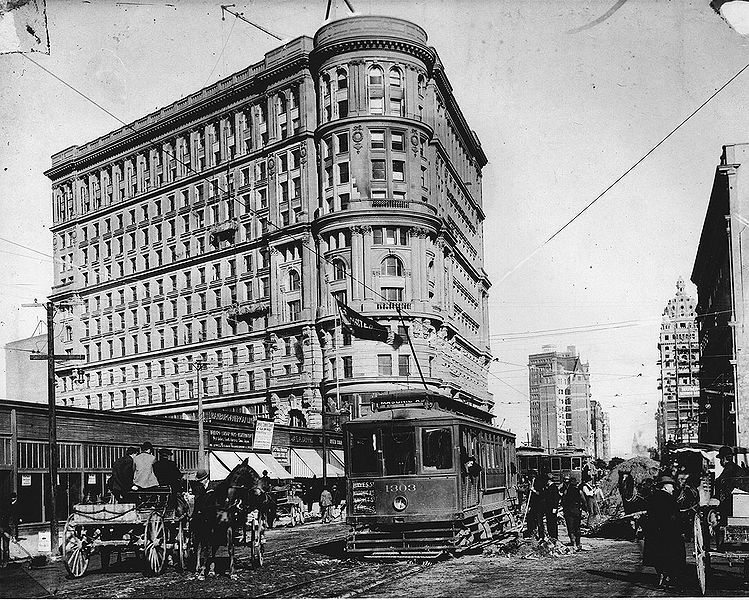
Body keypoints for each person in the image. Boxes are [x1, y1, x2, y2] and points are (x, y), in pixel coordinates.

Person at [643, 475, 686, 589]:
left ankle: (661, 574)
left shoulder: (652, 497)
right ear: (666, 487)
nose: (673, 489)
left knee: (658, 555)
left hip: (654, 533)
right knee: (674, 553)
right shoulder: (670, 499)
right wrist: (681, 530)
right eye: (671, 487)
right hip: (669, 533)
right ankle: (671, 577)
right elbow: (675, 518)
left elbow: (648, 515)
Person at [561, 475, 585, 551]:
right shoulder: (579, 491)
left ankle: (573, 543)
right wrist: (584, 509)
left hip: (568, 511)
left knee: (570, 528)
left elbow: (563, 502)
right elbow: (584, 501)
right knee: (577, 527)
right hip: (577, 510)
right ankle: (578, 543)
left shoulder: (566, 491)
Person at [0, 492, 19, 568]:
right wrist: (3, 532)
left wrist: (13, 536)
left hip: (6, 529)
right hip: (2, 529)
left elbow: (12, 524)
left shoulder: (9, 512)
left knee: (6, 547)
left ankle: (5, 561)